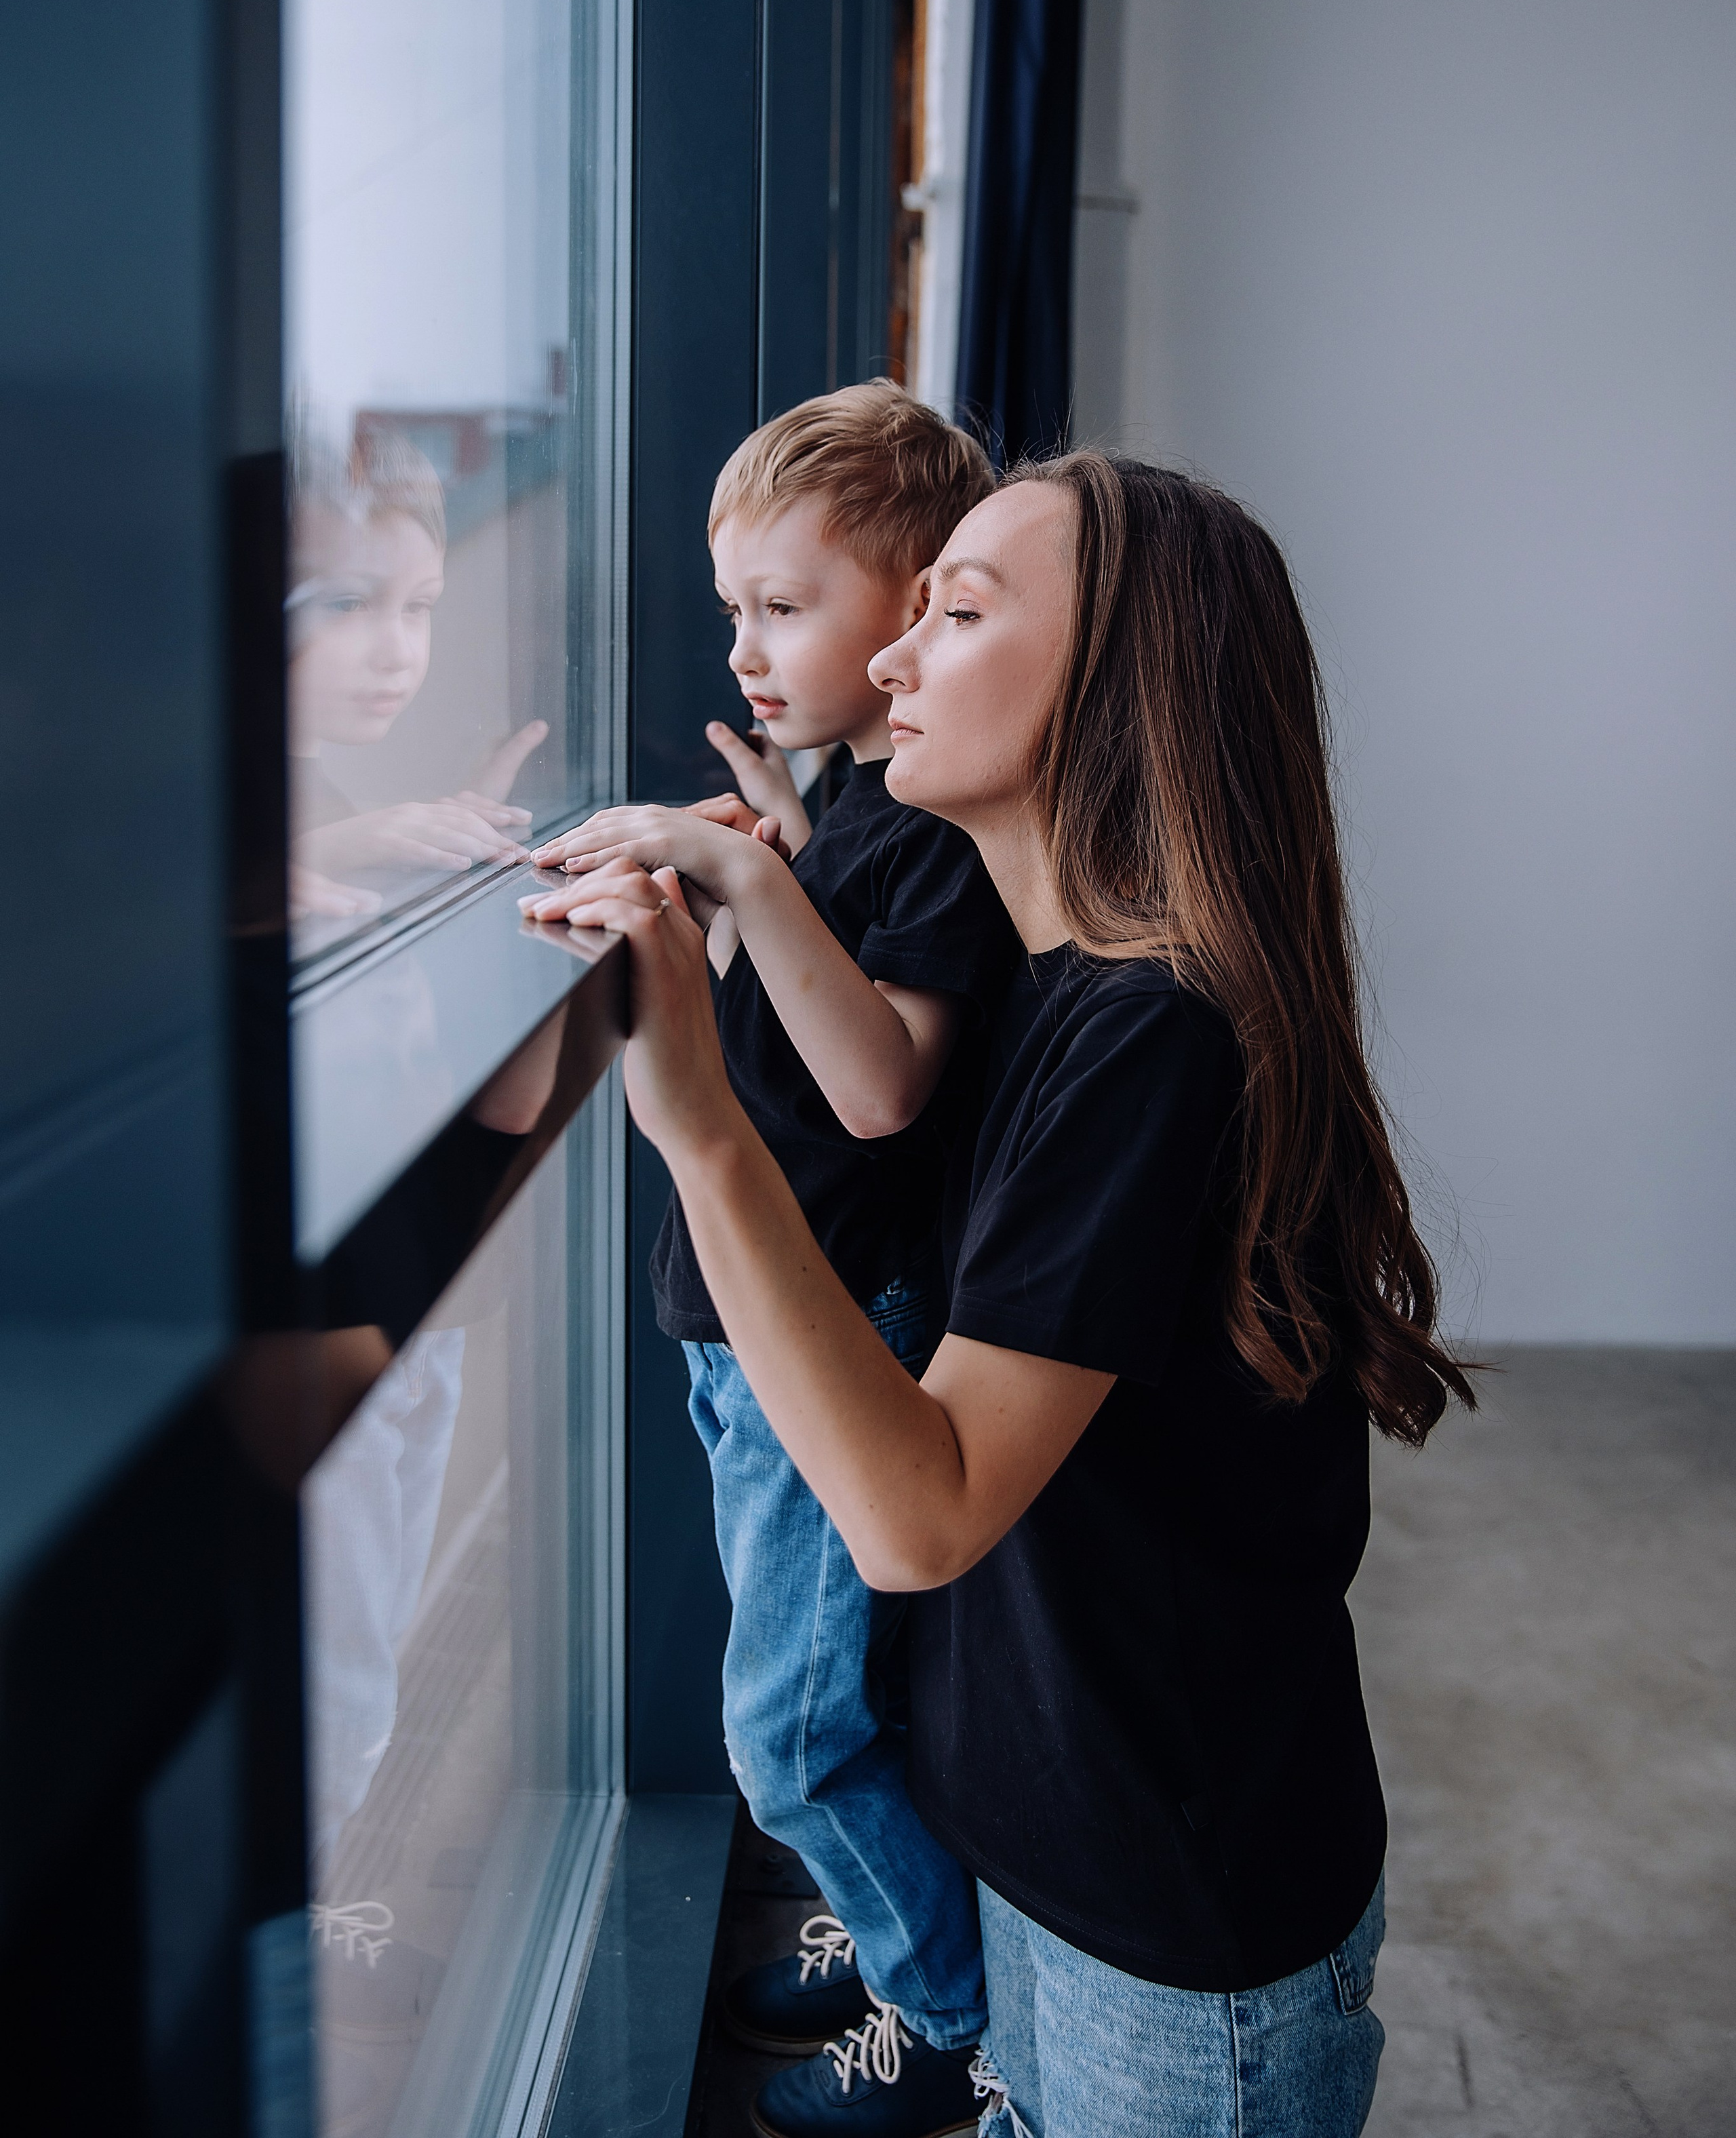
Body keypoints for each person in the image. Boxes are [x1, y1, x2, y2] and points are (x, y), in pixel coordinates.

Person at [545, 453, 1476, 2138]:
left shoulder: (1150, 1035)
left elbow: (920, 1511)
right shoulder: (1061, 990)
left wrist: (695, 1124)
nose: (891, 658)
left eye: (953, 612)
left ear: (1120, 683)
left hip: (1171, 1930)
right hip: (1051, 1853)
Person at [525, 385, 1014, 2137]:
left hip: (819, 1331)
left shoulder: (935, 831)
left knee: (790, 1733)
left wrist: (741, 881)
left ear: (910, 614)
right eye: (733, 608)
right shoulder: (859, 816)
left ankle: (948, 2020)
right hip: (742, 1325)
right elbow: (817, 1006)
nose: (741, 644)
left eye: (782, 608)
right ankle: (892, 1939)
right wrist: (771, 864)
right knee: (819, 1704)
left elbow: (879, 1084)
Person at [287, 418, 547, 923]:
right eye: (347, 603)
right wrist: (327, 850)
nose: (398, 653)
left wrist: (455, 829)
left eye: (419, 605)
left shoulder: (302, 789)